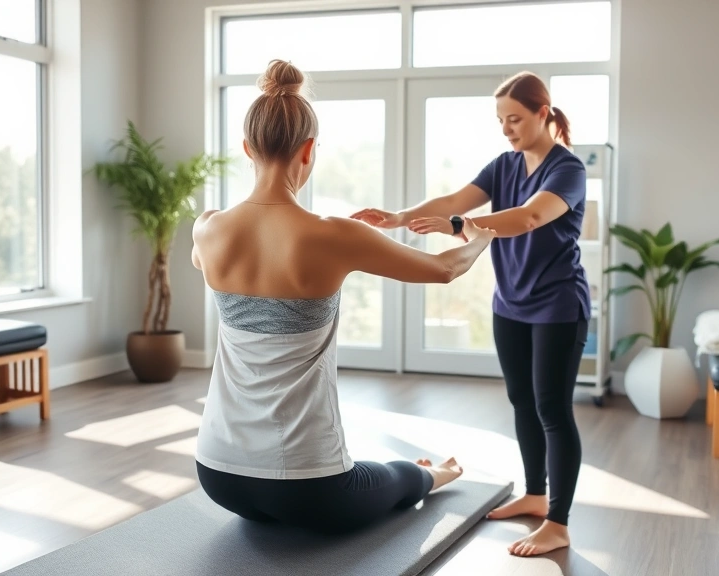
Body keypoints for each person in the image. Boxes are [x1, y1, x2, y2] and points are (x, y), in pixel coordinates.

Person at [191, 59, 497, 535]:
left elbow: (204, 262)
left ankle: (417, 473)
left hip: (216, 475)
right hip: (308, 488)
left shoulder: (208, 228)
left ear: (247, 148)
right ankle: (433, 474)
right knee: (394, 478)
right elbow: (443, 269)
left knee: (371, 474)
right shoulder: (334, 235)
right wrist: (480, 238)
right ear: (309, 150)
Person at [351, 71, 590, 556]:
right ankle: (536, 495)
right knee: (523, 402)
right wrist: (398, 217)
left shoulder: (568, 169)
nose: (506, 128)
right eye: (501, 120)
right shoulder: (503, 164)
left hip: (558, 305)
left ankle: (559, 522)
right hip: (511, 304)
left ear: (544, 112)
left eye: (515, 119)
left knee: (552, 409)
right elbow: (454, 200)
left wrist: (460, 225)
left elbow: (529, 216)